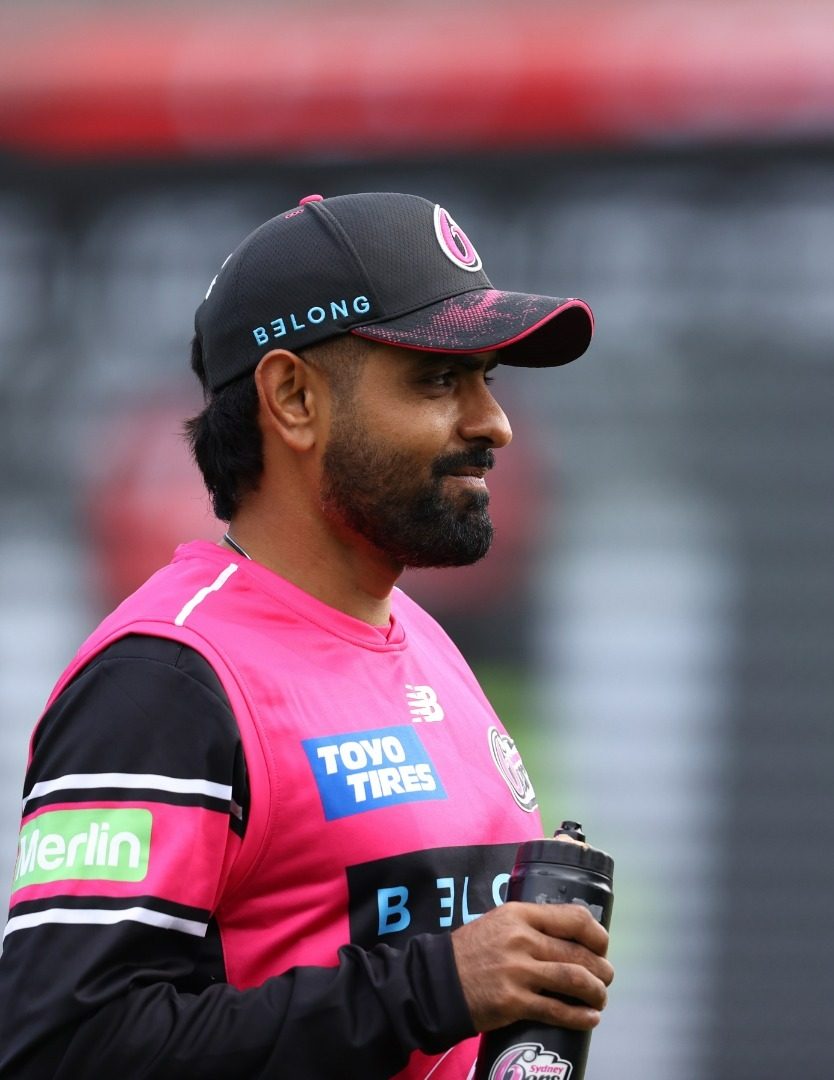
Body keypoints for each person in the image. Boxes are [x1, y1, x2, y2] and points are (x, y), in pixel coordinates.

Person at [0, 192, 613, 1078]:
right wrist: (436, 985)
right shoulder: (168, 678)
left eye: (487, 379)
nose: (494, 423)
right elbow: (59, 1049)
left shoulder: (423, 640)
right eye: (438, 380)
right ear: (292, 398)